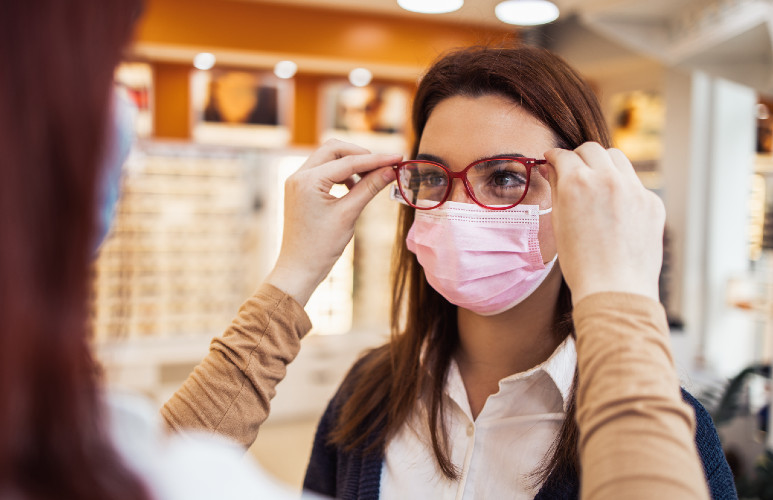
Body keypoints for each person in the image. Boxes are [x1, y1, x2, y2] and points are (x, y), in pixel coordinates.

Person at [296, 46, 737, 500]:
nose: (456, 209)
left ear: (580, 193)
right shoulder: (367, 392)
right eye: (433, 177)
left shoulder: (673, 432)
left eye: (505, 178)